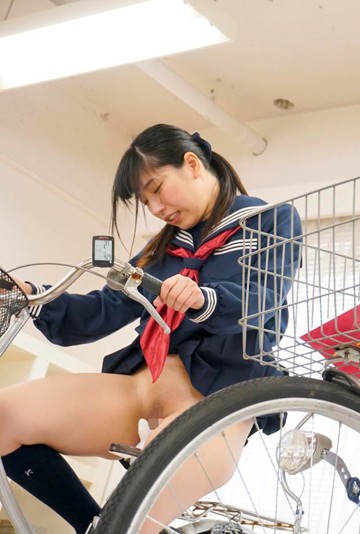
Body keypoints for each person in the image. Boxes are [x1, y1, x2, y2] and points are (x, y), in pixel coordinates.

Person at [0, 124, 302, 533]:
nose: (156, 208)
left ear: (192, 164)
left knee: (133, 519)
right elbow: (101, 311)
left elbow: (262, 298)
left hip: (213, 403)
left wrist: (204, 298)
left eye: (157, 189)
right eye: (146, 202)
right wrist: (30, 293)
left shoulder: (270, 220)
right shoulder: (160, 249)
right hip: (140, 387)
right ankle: (91, 525)